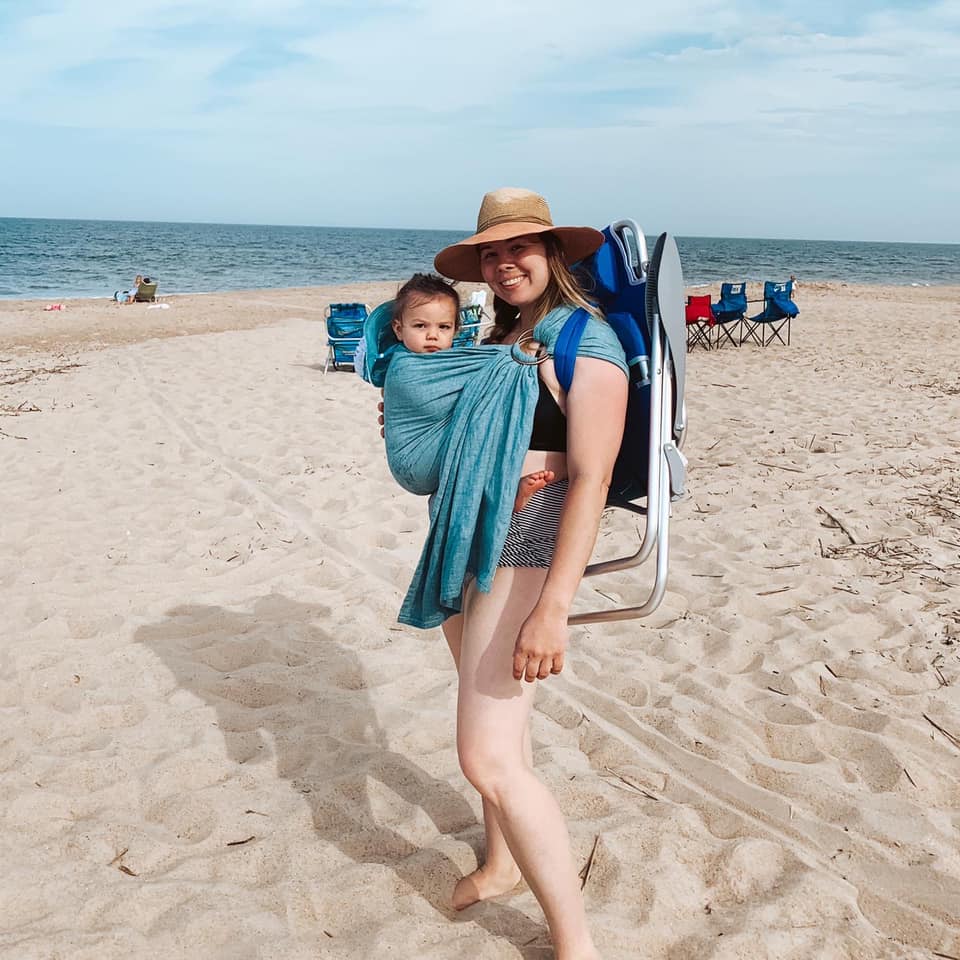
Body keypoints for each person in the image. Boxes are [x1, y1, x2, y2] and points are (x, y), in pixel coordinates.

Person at [381, 188, 628, 959]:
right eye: (490, 252)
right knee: (501, 737)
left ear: (553, 253)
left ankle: (575, 944)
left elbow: (588, 477)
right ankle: (498, 865)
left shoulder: (585, 342)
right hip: (468, 533)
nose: (502, 262)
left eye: (518, 247)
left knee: (484, 756)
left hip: (522, 543)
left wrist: (553, 608)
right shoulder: (508, 336)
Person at [388, 270, 556, 512]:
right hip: (415, 461)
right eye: (420, 325)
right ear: (398, 329)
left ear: (456, 330)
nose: (432, 335)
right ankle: (507, 491)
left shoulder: (449, 361)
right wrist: (522, 354)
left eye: (443, 327)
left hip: (426, 465)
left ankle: (506, 495)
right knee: (482, 426)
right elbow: (493, 365)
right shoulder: (404, 366)